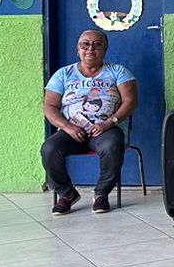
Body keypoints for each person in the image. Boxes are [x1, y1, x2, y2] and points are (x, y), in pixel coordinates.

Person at [41, 29, 137, 215]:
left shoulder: (118, 72)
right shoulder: (63, 74)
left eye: (97, 44)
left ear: (105, 49)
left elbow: (130, 101)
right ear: (78, 49)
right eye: (85, 44)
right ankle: (66, 194)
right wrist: (67, 127)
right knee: (49, 149)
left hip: (105, 129)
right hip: (71, 131)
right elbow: (49, 106)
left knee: (112, 145)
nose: (90, 49)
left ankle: (101, 194)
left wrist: (109, 122)